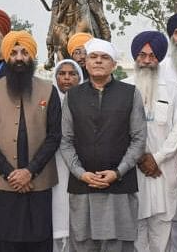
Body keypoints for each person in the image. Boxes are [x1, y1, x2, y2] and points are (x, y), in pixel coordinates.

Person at [0, 31, 62, 252]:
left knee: (39, 243)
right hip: (2, 186)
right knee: (5, 244)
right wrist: (11, 174)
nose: (19, 57)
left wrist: (29, 172)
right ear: (7, 57)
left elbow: (54, 137)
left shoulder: (49, 90)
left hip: (38, 184)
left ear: (31, 57)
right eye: (13, 53)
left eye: (24, 52)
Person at [60, 38, 147, 252]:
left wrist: (117, 172)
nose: (98, 61)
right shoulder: (72, 96)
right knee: (82, 244)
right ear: (86, 63)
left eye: (104, 57)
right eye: (93, 57)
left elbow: (139, 139)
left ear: (114, 65)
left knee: (119, 246)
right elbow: (66, 140)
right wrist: (81, 173)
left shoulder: (130, 94)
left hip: (119, 186)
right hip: (83, 187)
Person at [123, 31, 177, 252]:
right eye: (142, 55)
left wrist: (156, 158)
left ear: (159, 58)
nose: (147, 60)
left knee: (162, 236)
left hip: (163, 169)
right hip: (134, 170)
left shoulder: (173, 87)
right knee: (136, 233)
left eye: (152, 55)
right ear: (135, 57)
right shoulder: (123, 88)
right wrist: (139, 157)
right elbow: (119, 129)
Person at [52, 59, 83, 252]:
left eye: (72, 74)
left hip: (80, 168)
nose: (66, 78)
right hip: (54, 168)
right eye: (62, 74)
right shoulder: (49, 102)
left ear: (80, 78)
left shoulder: (87, 101)